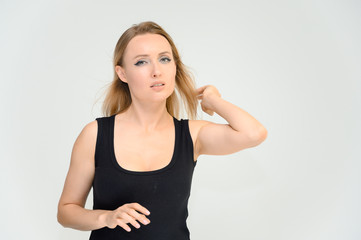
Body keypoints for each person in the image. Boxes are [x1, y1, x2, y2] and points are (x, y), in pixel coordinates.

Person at [57, 21, 268, 240]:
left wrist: (213, 100)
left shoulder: (192, 135)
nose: (156, 71)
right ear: (122, 73)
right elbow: (66, 211)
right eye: (141, 62)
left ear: (175, 67)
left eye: (165, 59)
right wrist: (106, 218)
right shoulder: (95, 135)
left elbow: (254, 133)